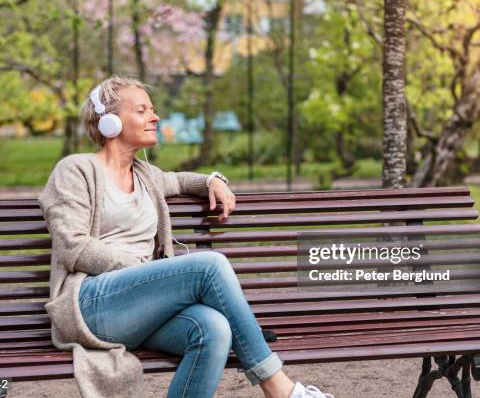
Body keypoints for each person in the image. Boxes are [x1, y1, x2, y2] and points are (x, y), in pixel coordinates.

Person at [38, 75, 334, 398]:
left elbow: (179, 181)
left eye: (152, 110)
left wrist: (213, 181)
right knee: (209, 265)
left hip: (139, 306)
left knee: (213, 329)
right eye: (142, 111)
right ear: (110, 122)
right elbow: (73, 247)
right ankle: (280, 389)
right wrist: (139, 268)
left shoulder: (145, 175)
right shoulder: (74, 171)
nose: (155, 117)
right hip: (91, 303)